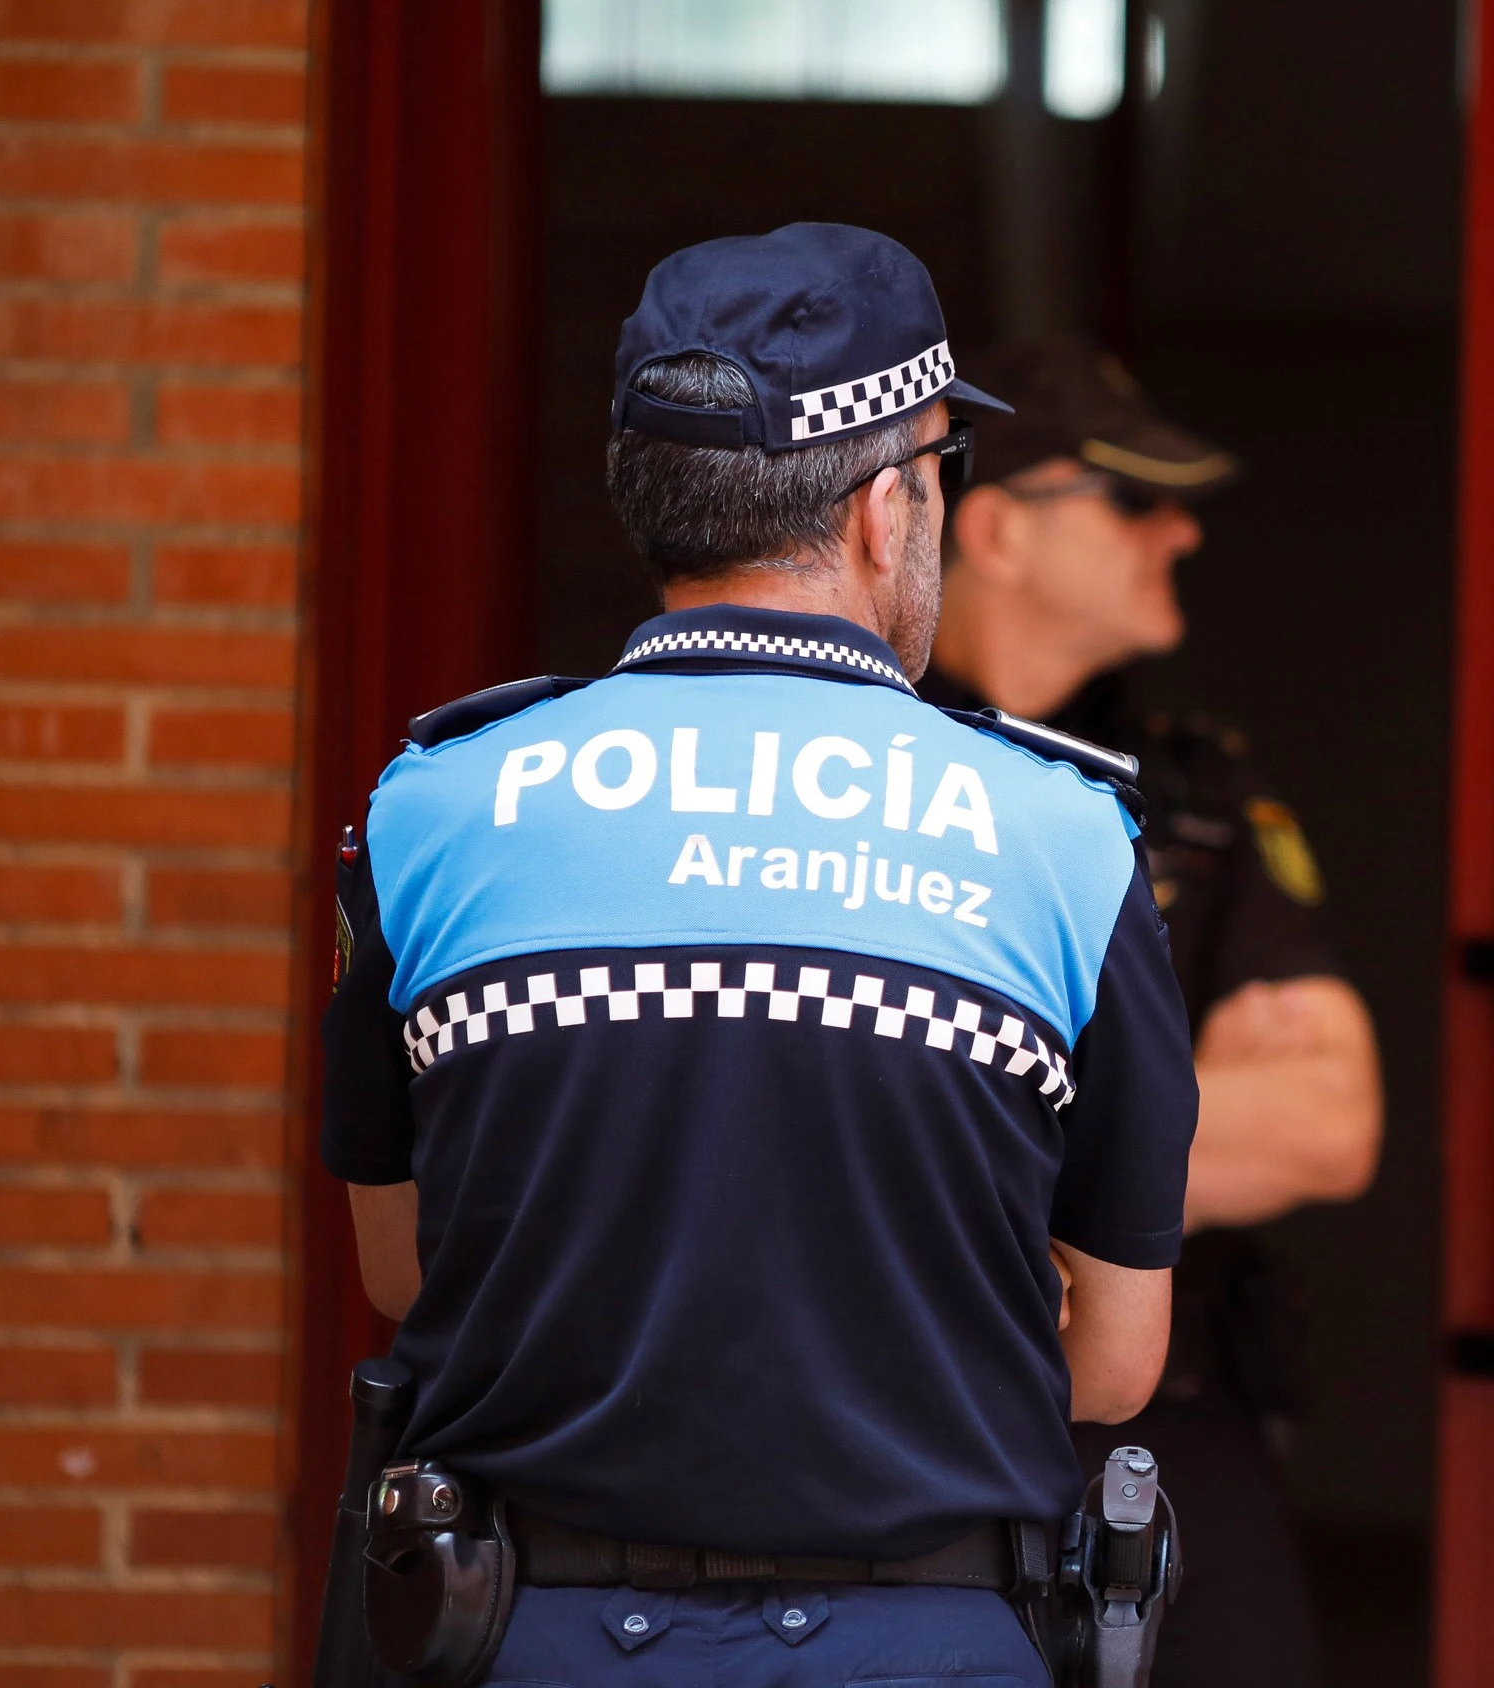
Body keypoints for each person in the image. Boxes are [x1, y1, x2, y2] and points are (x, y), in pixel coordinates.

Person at [319, 225, 1197, 1678]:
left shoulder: (431, 807)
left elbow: (406, 1268)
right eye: (937, 473)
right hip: (923, 1643)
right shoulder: (1066, 836)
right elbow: (1108, 1362)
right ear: (881, 510)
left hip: (524, 1636)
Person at [916, 335, 1381, 1688]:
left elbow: (1326, 1124)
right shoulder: (845, 777)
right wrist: (1152, 1102)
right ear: (993, 527)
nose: (1177, 529)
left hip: (1163, 1427)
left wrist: (943, 1115)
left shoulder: (1186, 793)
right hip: (901, 1398)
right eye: (1130, 499)